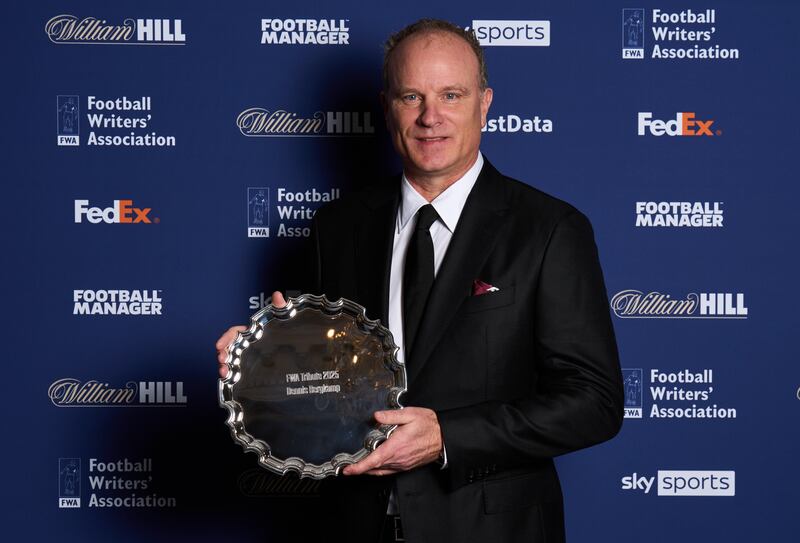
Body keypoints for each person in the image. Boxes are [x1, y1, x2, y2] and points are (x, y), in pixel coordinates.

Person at [217, 18, 623, 543]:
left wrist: (446, 437)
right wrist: (261, 368)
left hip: (492, 528)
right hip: (353, 523)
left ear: (485, 102)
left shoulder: (549, 230)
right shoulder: (337, 228)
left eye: (451, 94)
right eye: (412, 96)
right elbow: (319, 395)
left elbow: (594, 402)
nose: (431, 117)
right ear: (387, 105)